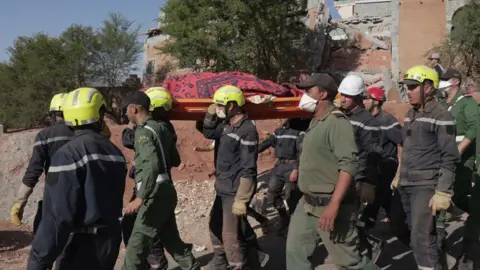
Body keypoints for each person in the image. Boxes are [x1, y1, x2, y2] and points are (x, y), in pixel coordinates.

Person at [286, 73, 380, 270]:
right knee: (295, 255)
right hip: (307, 204)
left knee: (350, 263)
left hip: (330, 205)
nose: (304, 95)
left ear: (323, 94)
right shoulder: (315, 122)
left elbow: (349, 165)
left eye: (309, 90)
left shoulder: (337, 123)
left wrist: (334, 205)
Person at [27, 88, 127, 270]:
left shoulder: (68, 154)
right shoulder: (115, 153)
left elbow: (58, 216)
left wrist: (38, 259)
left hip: (80, 247)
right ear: (99, 114)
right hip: (109, 243)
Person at [122, 91, 199, 270]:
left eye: (126, 110)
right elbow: (175, 160)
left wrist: (140, 198)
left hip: (153, 195)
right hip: (166, 191)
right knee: (172, 241)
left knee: (136, 246)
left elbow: (151, 164)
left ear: (133, 109)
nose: (125, 113)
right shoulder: (161, 127)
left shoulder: (142, 132)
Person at [396, 65, 460, 270]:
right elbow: (407, 149)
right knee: (407, 230)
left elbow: (450, 157)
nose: (409, 91)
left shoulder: (442, 117)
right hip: (406, 183)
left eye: (413, 87)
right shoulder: (410, 114)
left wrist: (443, 190)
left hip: (426, 185)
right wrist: (399, 174)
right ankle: (441, 260)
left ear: (429, 87)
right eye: (407, 87)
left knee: (421, 238)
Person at [198, 85, 267, 269]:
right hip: (222, 188)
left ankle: (239, 265)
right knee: (215, 225)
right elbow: (208, 132)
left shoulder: (246, 130)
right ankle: (221, 261)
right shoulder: (226, 125)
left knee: (231, 236)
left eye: (220, 105)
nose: (219, 108)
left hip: (235, 191)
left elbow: (249, 169)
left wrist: (242, 200)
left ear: (233, 105)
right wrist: (210, 113)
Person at [10, 93, 74, 234]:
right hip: (81, 195)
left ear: (53, 113)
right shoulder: (83, 134)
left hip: (55, 194)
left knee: (43, 235)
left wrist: (20, 201)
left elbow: (34, 170)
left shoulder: (45, 135)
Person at [337, 75, 384, 262]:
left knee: (349, 221)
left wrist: (364, 181)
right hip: (342, 174)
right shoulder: (341, 116)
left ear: (357, 97)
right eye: (342, 95)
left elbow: (370, 155)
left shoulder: (368, 122)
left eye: (347, 96)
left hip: (356, 178)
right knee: (343, 220)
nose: (343, 99)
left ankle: (369, 246)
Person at [361, 87, 411, 251]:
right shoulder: (366, 120)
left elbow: (402, 141)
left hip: (386, 166)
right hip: (371, 167)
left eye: (367, 98)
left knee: (374, 202)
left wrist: (401, 169)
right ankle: (412, 240)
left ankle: (366, 233)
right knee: (390, 207)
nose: (364, 101)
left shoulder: (387, 121)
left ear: (376, 101)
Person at [439, 69, 480, 269]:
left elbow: (473, 128)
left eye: (444, 80)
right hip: (444, 157)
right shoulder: (443, 104)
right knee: (451, 196)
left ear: (455, 81)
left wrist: (460, 149)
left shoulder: (467, 103)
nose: (441, 83)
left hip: (463, 158)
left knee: (461, 195)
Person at [257, 118, 305, 236]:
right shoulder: (279, 131)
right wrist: (251, 150)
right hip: (279, 166)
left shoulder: (299, 131)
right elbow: (267, 143)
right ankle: (284, 219)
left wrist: (297, 169)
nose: (281, 119)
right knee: (272, 195)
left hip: (292, 166)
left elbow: (302, 152)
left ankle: (294, 228)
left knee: (291, 197)